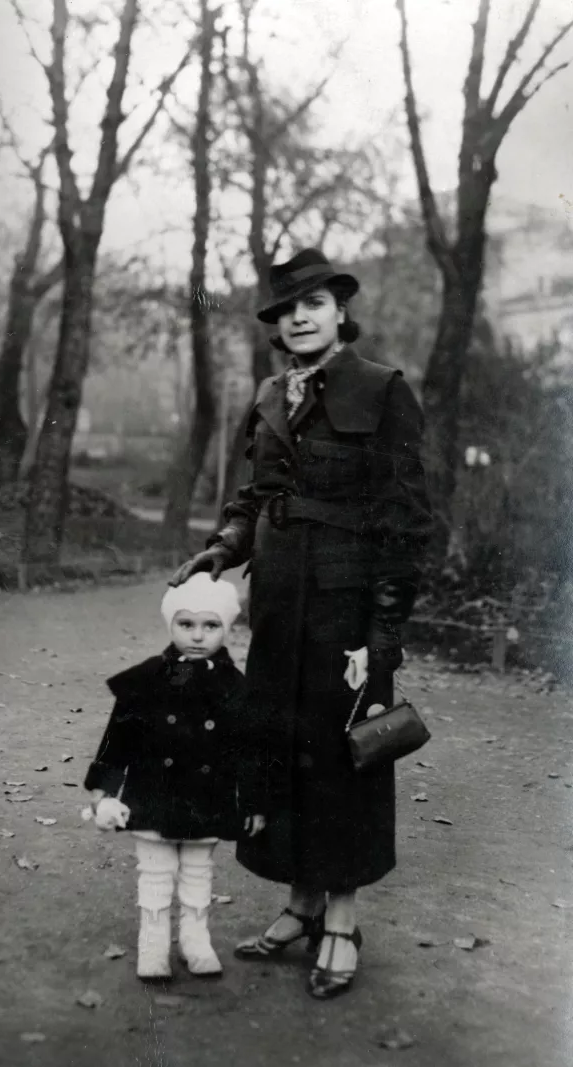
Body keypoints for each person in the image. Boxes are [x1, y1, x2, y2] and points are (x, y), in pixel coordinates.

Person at [170, 248, 432, 1000]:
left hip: (346, 611)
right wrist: (219, 552)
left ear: (339, 309)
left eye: (312, 303)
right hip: (280, 606)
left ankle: (342, 920)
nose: (299, 317)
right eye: (286, 310)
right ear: (277, 327)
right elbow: (254, 498)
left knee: (345, 756)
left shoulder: (383, 390)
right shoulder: (270, 394)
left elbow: (406, 520)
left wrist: (382, 637)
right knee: (283, 752)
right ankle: (301, 903)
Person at [82, 572, 266, 982]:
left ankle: (195, 939)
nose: (198, 636)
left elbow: (249, 751)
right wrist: (102, 788)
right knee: (155, 871)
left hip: (208, 794)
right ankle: (153, 943)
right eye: (186, 624)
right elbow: (119, 736)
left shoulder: (235, 687)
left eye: (210, 625)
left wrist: (254, 802)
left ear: (225, 628)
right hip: (153, 792)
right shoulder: (147, 678)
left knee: (199, 869)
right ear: (171, 624)